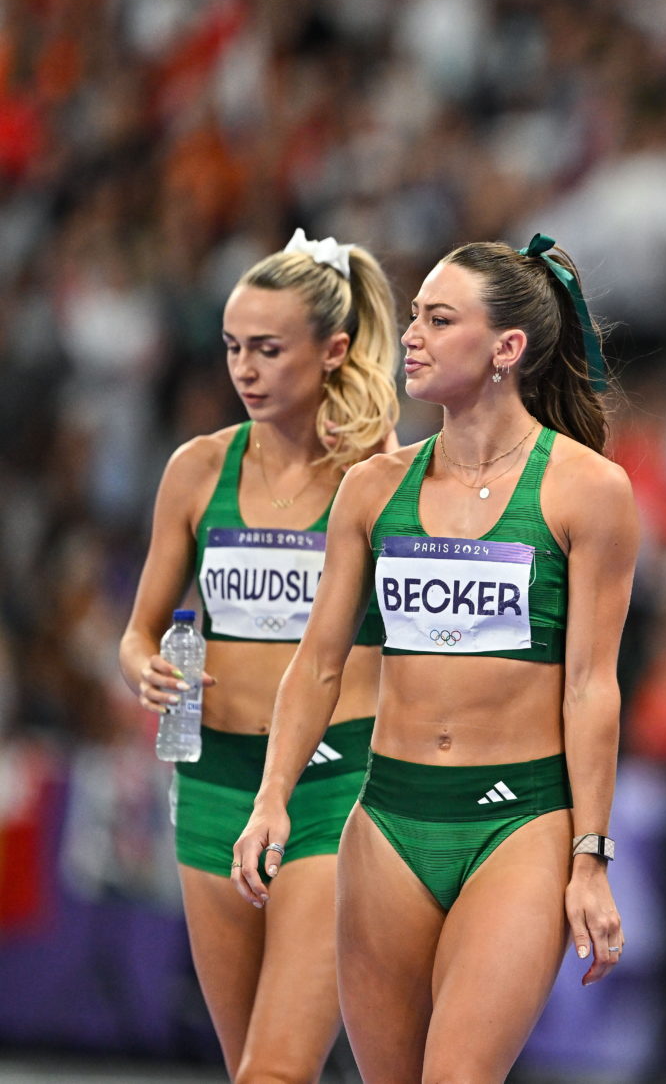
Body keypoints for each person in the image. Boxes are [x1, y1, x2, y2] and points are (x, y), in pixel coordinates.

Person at [231, 235, 637, 1084]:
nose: (409, 334)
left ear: (506, 349)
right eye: (412, 314)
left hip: (517, 824)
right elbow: (316, 665)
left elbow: (593, 687)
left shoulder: (585, 491)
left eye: (438, 318)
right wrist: (273, 797)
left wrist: (590, 857)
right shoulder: (374, 489)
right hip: (386, 822)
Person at [119, 230, 398, 1081]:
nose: (245, 368)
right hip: (213, 777)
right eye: (234, 346)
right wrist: (143, 667)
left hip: (330, 783)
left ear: (333, 350)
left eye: (269, 349)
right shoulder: (197, 470)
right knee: (252, 1065)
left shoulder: (377, 478)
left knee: (273, 1069)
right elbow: (138, 630)